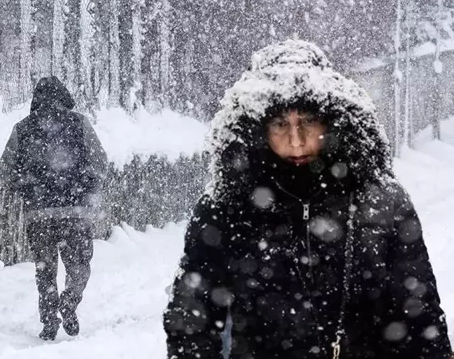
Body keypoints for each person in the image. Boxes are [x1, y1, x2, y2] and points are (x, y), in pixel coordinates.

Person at [164, 40, 451, 358]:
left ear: (331, 121)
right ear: (257, 129)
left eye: (308, 121)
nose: (297, 141)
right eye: (280, 124)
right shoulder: (227, 208)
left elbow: (421, 321)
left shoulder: (381, 201)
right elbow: (191, 325)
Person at [1, 76, 107, 341]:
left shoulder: (22, 128)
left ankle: (49, 320)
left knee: (45, 269)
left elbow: (6, 170)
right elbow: (100, 162)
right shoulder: (79, 123)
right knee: (79, 266)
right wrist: (87, 187)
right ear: (64, 96)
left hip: (39, 213)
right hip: (76, 212)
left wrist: (27, 185)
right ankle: (69, 302)